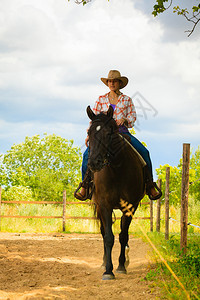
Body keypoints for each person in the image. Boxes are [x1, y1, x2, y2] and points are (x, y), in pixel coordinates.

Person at [74, 70, 162, 201]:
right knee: (87, 155)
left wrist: (125, 120)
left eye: (114, 81)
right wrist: (89, 135)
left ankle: (150, 185)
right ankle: (85, 186)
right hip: (103, 135)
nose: (111, 83)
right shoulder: (101, 99)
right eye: (109, 81)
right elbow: (94, 120)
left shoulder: (127, 100)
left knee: (144, 152)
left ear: (119, 83)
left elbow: (132, 117)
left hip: (122, 133)